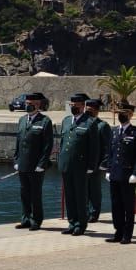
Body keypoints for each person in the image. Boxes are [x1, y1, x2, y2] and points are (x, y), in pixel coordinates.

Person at [57, 93, 101, 236]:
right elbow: (63, 143)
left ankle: (81, 225)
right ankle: (72, 222)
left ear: (83, 106)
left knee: (80, 196)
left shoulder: (90, 122)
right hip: (66, 164)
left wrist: (91, 166)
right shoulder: (66, 121)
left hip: (81, 166)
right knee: (69, 196)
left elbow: (94, 148)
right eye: (71, 105)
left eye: (76, 105)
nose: (73, 108)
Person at [102, 100, 136, 244]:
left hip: (128, 175)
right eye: (119, 113)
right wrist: (108, 169)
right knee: (116, 205)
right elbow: (110, 153)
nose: (121, 116)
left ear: (130, 115)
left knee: (127, 205)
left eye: (124, 114)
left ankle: (127, 234)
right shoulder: (114, 131)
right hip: (114, 173)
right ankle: (118, 231)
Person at [12, 92, 53, 230]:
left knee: (36, 194)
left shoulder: (45, 121)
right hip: (23, 164)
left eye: (30, 103)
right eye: (27, 103)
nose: (27, 105)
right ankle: (26, 219)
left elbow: (47, 146)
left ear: (37, 104)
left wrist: (42, 164)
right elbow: (19, 141)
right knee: (24, 194)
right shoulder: (22, 120)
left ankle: (36, 220)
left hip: (36, 166)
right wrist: (16, 160)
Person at [84, 99, 111, 223]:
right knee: (83, 190)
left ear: (96, 111)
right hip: (82, 163)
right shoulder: (82, 124)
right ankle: (84, 212)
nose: (88, 111)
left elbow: (108, 146)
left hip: (96, 164)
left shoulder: (102, 126)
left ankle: (94, 214)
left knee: (94, 190)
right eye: (86, 109)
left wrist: (103, 164)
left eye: (91, 110)